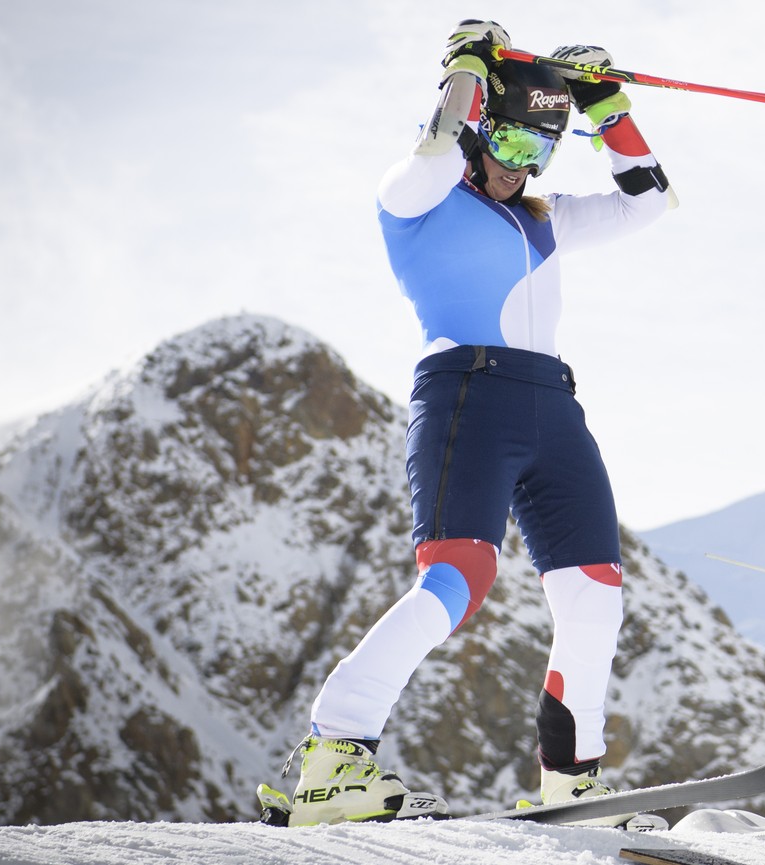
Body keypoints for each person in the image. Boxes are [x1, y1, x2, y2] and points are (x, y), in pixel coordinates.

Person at [273, 20, 671, 827]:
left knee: (595, 594)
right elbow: (433, 150)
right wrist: (466, 70)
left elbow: (650, 200)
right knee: (458, 579)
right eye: (516, 149)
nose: (524, 170)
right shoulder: (413, 196)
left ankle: (574, 780)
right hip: (467, 392)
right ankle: (333, 755)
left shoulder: (543, 215)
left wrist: (605, 107)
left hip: (554, 406)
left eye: (541, 156)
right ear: (479, 130)